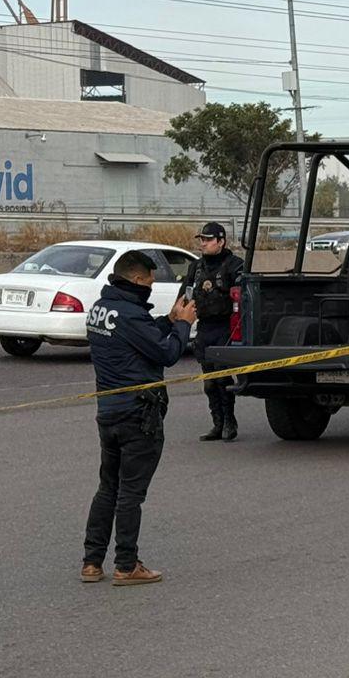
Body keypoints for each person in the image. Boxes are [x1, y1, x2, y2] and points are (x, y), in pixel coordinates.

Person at [81, 250, 196, 585]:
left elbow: (138, 338)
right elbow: (167, 353)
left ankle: (92, 562)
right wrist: (185, 324)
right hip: (138, 415)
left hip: (108, 412)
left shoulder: (103, 308)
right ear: (135, 279)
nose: (151, 286)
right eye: (149, 280)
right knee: (130, 493)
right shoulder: (131, 314)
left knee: (108, 488)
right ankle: (127, 565)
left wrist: (169, 321)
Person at [183, 221, 245, 441]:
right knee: (209, 382)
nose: (203, 243)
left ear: (221, 242)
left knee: (222, 378)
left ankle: (229, 422)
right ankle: (217, 424)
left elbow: (243, 297)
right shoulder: (196, 267)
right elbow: (186, 294)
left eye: (208, 239)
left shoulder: (235, 265)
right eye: (202, 239)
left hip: (225, 328)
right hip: (204, 328)